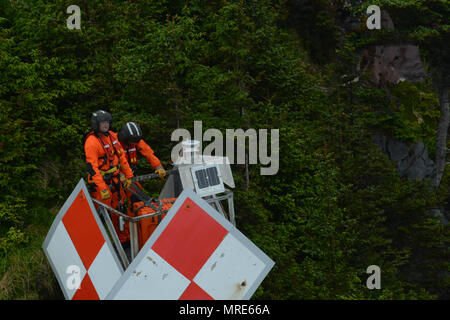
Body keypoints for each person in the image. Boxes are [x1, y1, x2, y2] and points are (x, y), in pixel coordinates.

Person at [84, 110, 134, 249]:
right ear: (96, 124)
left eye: (107, 122)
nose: (105, 125)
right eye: (102, 123)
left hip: (116, 180)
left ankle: (124, 241)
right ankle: (95, 246)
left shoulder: (112, 136)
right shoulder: (91, 142)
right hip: (101, 183)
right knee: (101, 215)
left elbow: (122, 157)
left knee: (120, 210)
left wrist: (129, 175)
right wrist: (102, 187)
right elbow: (92, 167)